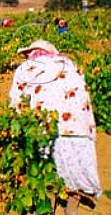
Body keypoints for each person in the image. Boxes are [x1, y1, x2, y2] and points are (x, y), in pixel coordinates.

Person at [9, 40, 101, 215]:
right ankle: (71, 208)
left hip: (48, 130)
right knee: (73, 173)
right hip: (79, 128)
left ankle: (47, 206)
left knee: (47, 172)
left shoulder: (27, 68)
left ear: (33, 53)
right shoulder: (69, 64)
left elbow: (16, 100)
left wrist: (16, 127)